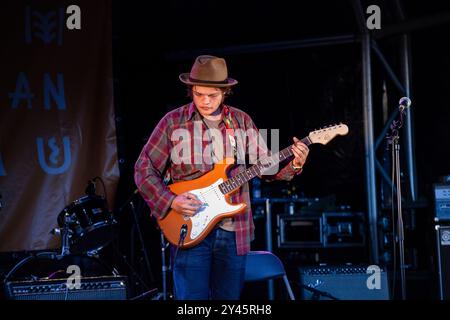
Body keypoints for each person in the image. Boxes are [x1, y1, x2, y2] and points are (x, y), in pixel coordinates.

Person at [134, 55, 309, 300]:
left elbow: (267, 169)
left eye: (213, 95)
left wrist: (295, 163)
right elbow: (144, 169)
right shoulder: (173, 122)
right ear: (190, 89)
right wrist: (171, 201)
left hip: (233, 231)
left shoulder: (241, 120)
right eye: (199, 94)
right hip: (189, 226)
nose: (205, 101)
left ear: (225, 93)